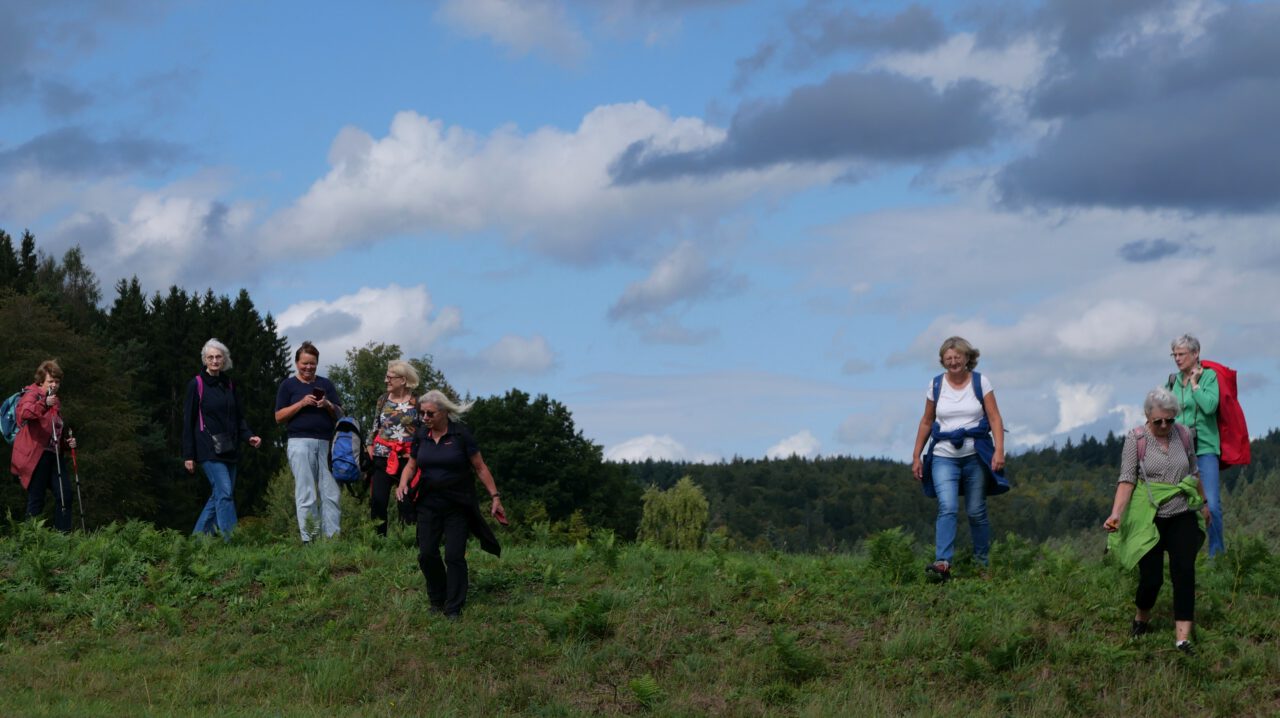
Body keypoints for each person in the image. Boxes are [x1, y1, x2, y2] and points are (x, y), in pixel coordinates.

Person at [1104, 387, 1210, 654]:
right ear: (1147, 417)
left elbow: (1194, 472)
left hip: (1181, 512)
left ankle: (1182, 639)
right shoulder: (1136, 439)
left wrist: (1204, 504)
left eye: (1169, 419)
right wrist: (1116, 513)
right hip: (1148, 516)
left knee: (1184, 571)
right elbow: (1127, 480)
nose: (1164, 425)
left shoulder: (1184, 434)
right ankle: (1142, 616)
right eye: (1158, 421)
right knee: (1152, 579)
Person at [395, 390, 505, 618]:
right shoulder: (421, 435)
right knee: (427, 554)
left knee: (454, 556)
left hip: (458, 504)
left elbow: (480, 467)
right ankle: (437, 598)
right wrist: (402, 484)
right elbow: (411, 465)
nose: (424, 417)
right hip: (428, 503)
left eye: (430, 413)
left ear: (444, 412)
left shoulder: (461, 436)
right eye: (422, 413)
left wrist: (495, 497)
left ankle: (453, 607)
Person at [911, 336, 1008, 581]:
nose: (953, 362)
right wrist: (916, 456)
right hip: (944, 455)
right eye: (948, 358)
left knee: (976, 510)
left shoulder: (980, 382)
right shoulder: (935, 385)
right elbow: (926, 421)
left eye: (958, 357)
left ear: (967, 358)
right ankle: (943, 562)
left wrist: (999, 450)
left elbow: (995, 417)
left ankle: (981, 565)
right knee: (948, 507)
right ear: (943, 361)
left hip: (975, 455)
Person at [182, 339, 262, 538]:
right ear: (205, 360)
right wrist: (188, 455)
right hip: (207, 448)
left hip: (230, 448)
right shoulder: (196, 385)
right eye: (210, 357)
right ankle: (232, 539)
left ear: (224, 359)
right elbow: (187, 422)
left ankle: (196, 541)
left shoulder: (229, 385)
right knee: (225, 493)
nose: (215, 360)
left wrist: (249, 436)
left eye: (218, 357)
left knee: (219, 495)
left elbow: (238, 417)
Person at [275, 340, 343, 543]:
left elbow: (341, 414)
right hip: (299, 442)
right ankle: (310, 540)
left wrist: (328, 404)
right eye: (305, 363)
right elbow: (278, 417)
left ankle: (332, 539)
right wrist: (301, 403)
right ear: (297, 363)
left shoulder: (326, 384)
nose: (308, 367)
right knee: (306, 493)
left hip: (326, 443)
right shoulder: (288, 385)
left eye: (312, 363)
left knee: (331, 493)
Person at [1167, 334, 1224, 557]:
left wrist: (1194, 383)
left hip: (1205, 448)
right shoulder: (1171, 381)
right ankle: (1182, 555)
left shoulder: (1209, 377)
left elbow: (1210, 406)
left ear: (1195, 353)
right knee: (1178, 506)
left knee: (1212, 505)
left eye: (1181, 354)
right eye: (1175, 355)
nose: (1177, 359)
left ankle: (1217, 557)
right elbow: (1162, 407)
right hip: (1178, 450)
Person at [10, 360, 78, 532]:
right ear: (41, 381)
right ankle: (29, 541)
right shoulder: (32, 394)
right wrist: (44, 403)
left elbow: (53, 430)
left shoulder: (55, 401)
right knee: (37, 499)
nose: (54, 385)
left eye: (57, 381)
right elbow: (23, 414)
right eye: (51, 381)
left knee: (65, 496)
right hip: (35, 455)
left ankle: (62, 540)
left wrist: (66, 443)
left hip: (54, 455)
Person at [368, 360, 422, 536]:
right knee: (378, 501)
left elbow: (423, 431)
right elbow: (375, 426)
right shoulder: (382, 400)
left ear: (403, 380)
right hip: (382, 458)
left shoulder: (418, 402)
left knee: (406, 501)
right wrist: (370, 448)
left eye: (391, 377)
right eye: (386, 377)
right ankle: (378, 543)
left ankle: (407, 542)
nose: (386, 380)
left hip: (408, 460)